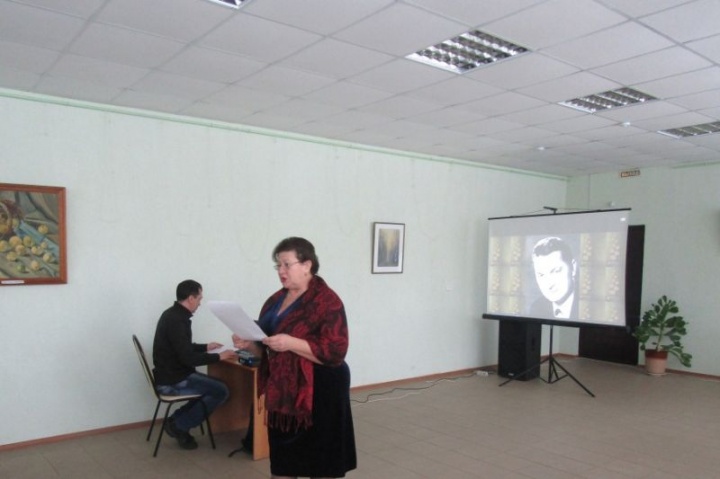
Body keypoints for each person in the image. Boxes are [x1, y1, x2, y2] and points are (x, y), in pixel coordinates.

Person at [233, 237, 357, 479]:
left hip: (321, 390)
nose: (281, 271)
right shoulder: (275, 300)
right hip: (284, 393)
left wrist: (291, 343)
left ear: (307, 265)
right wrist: (250, 343)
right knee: (283, 463)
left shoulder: (327, 301)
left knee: (321, 462)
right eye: (278, 265)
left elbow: (336, 351)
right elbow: (264, 349)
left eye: (286, 264)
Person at [152, 279, 236, 450]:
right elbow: (188, 358)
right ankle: (179, 425)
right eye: (199, 299)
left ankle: (177, 420)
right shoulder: (177, 320)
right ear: (191, 298)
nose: (200, 303)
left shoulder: (172, 314)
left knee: (215, 388)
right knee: (221, 391)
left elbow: (182, 347)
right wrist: (219, 357)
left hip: (171, 374)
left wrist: (205, 347)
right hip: (172, 381)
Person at [529, 236, 578, 320]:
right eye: (541, 275)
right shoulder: (537, 308)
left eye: (556, 271)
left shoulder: (588, 305)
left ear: (573, 268)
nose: (549, 283)